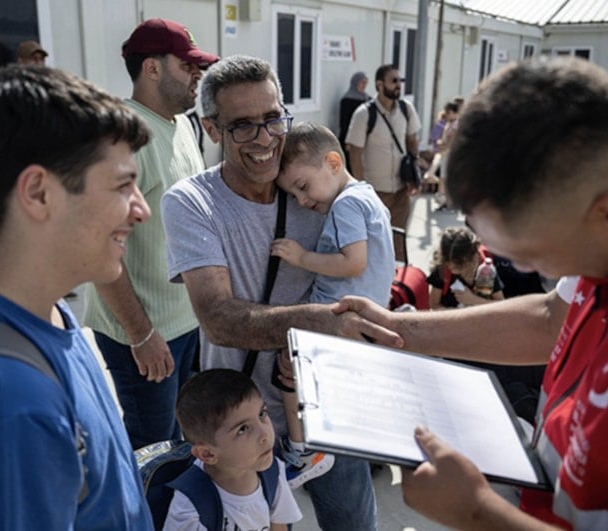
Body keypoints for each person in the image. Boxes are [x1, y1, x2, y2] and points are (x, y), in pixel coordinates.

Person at [369, 56, 608, 529]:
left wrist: (478, 513)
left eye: (537, 257)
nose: (539, 274)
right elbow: (553, 317)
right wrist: (399, 330)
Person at [160, 54, 399, 531]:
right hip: (241, 426)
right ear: (211, 130)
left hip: (330, 409)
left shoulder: (311, 187)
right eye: (242, 125)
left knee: (353, 524)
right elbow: (219, 319)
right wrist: (329, 324)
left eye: (272, 119)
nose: (265, 138)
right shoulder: (192, 202)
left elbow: (368, 264)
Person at [0, 66, 154, 529]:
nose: (141, 209)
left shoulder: (37, 310)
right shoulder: (3, 404)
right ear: (39, 193)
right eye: (122, 185)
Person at [83, 18, 218, 449]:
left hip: (185, 322)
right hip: (142, 332)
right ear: (152, 68)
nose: (197, 75)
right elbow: (98, 246)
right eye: (187, 66)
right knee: (151, 448)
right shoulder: (124, 137)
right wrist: (141, 335)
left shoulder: (182, 126)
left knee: (186, 439)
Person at [271, 122, 395, 485]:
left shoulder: (346, 205)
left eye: (303, 187)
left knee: (288, 369)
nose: (302, 201)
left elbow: (353, 262)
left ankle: (302, 450)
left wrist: (302, 257)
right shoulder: (368, 197)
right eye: (294, 194)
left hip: (338, 317)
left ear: (333, 163)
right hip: (363, 316)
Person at [163, 369, 302, 530]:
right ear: (208, 454)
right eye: (243, 429)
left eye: (262, 414)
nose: (264, 434)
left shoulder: (273, 472)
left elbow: (279, 526)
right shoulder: (190, 508)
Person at [345, 64, 421, 261]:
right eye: (393, 81)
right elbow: (354, 153)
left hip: (401, 191)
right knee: (374, 243)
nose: (398, 85)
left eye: (400, 81)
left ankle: (398, 279)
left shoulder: (406, 109)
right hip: (376, 193)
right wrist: (362, 190)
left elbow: (412, 141)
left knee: (398, 241)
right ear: (379, 85)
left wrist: (413, 174)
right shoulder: (364, 114)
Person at [426, 227, 504, 310]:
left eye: (457, 264)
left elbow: (501, 306)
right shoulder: (442, 269)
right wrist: (458, 314)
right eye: (447, 261)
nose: (450, 267)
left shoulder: (486, 270)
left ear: (471, 258)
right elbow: (434, 304)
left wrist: (473, 300)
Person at [338, 71, 370, 170]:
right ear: (355, 83)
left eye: (366, 82)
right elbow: (344, 123)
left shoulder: (368, 99)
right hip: (350, 139)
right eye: (362, 82)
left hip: (365, 139)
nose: (364, 85)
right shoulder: (347, 100)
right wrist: (348, 141)